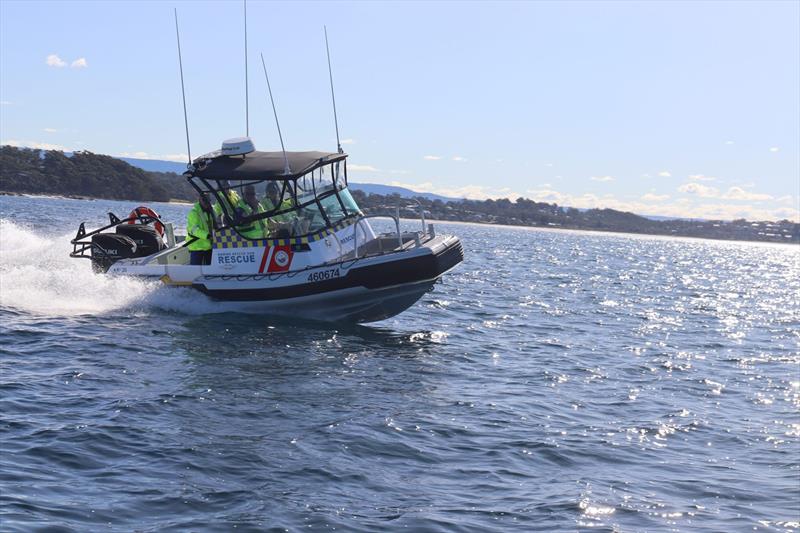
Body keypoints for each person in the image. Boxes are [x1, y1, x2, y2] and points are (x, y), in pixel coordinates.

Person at [187, 194, 214, 265]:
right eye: (204, 200)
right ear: (199, 200)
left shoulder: (211, 212)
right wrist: (208, 236)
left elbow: (216, 224)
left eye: (208, 200)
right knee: (195, 271)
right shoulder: (194, 213)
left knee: (210, 269)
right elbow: (194, 230)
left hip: (209, 246)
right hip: (197, 247)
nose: (206, 202)